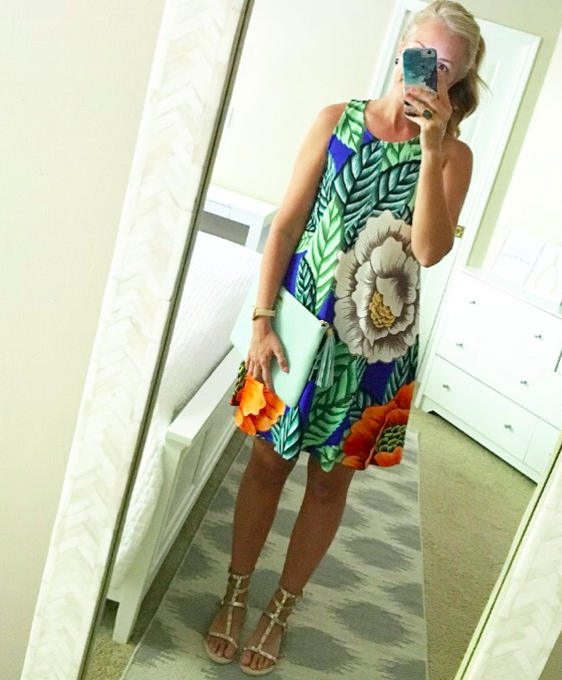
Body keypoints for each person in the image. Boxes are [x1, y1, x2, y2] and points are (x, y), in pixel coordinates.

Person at [204, 1, 485, 675]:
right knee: (265, 464)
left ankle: (280, 609)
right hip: (298, 327)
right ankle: (236, 593)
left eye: (445, 67)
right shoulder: (336, 120)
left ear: (457, 80)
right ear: (403, 46)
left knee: (330, 486)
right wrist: (261, 320)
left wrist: (431, 151)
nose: (428, 73)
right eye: (422, 54)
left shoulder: (454, 156)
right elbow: (285, 224)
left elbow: (429, 250)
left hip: (375, 345)